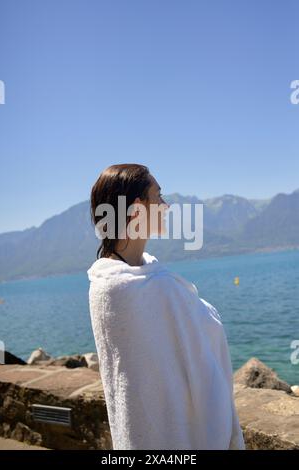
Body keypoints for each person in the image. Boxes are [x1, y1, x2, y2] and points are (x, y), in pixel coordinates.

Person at [87, 163, 245, 450]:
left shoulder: (110, 281)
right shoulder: (134, 287)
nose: (166, 206)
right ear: (137, 210)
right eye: (158, 197)